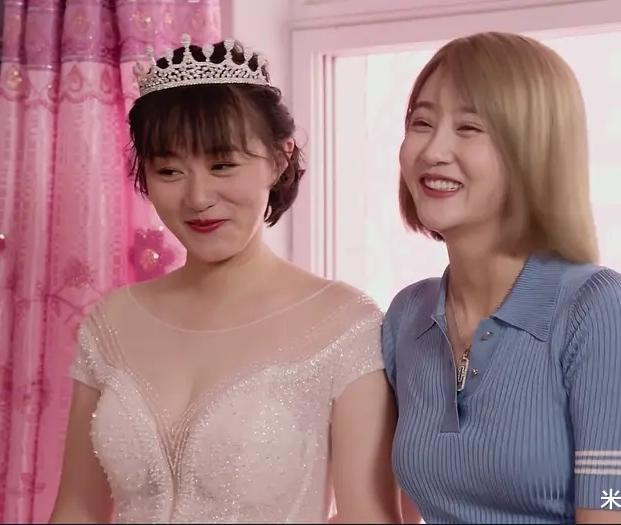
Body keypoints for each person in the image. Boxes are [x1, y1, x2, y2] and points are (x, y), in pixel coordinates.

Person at [50, 35, 400, 524]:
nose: (197, 197)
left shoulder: (345, 324)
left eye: (222, 165)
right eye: (169, 170)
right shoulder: (110, 323)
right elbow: (77, 509)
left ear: (279, 159)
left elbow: (369, 518)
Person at [382, 32, 621, 524]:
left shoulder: (605, 309)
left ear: (534, 151)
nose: (433, 151)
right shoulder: (407, 315)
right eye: (421, 122)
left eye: (469, 127)